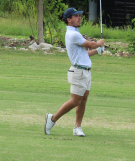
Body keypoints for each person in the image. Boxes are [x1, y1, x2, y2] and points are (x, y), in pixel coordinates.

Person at [44, 8, 105, 137]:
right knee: (75, 101)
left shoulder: (76, 33)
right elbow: (90, 45)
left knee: (83, 100)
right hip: (78, 72)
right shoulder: (73, 34)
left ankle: (77, 127)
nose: (79, 18)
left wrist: (98, 51)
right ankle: (52, 118)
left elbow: (84, 54)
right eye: (76, 16)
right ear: (69, 19)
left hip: (85, 72)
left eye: (79, 16)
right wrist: (98, 44)